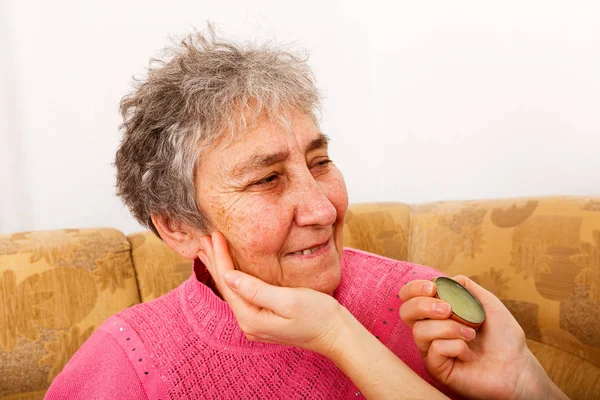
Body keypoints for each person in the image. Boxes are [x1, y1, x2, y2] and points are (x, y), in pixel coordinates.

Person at [44, 25, 567, 399]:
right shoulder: (128, 361)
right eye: (267, 178)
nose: (321, 208)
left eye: (320, 161)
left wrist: (527, 386)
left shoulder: (430, 316)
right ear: (179, 227)